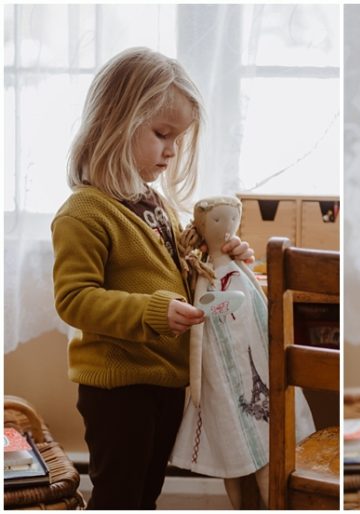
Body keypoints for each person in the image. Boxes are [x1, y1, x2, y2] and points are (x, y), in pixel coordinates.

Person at [52, 47, 254, 509]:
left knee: (146, 494)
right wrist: (153, 311)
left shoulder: (153, 203)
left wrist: (219, 256)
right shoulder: (84, 212)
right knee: (120, 495)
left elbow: (175, 267)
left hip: (166, 379)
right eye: (162, 134)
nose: (171, 149)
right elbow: (75, 299)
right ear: (117, 123)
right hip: (119, 387)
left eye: (177, 138)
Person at [169, 196, 314, 508]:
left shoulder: (234, 270)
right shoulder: (199, 272)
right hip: (229, 376)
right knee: (239, 446)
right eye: (218, 222)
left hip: (254, 367)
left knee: (264, 452)